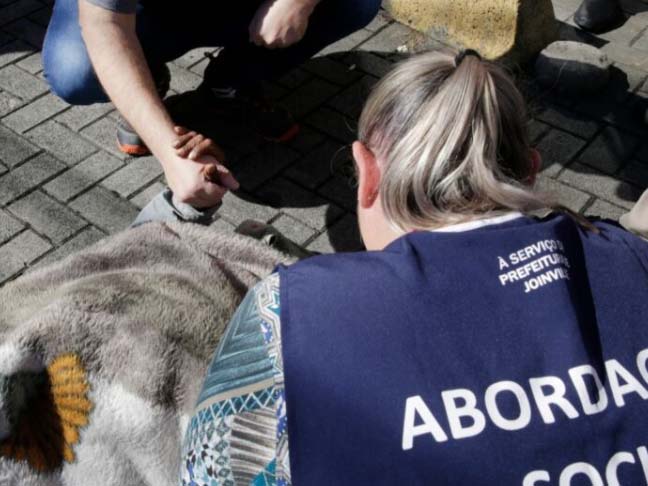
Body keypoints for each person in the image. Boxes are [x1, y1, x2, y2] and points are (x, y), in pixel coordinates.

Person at [179, 50, 648, 485]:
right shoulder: (632, 256)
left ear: (367, 173)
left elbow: (207, 471)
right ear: (530, 171)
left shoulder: (289, 314)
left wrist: (180, 211)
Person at [42, 0, 381, 210]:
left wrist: (298, 2)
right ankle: (146, 82)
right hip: (143, 11)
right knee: (76, 70)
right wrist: (171, 152)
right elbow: (105, 26)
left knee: (356, 2)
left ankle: (232, 80)